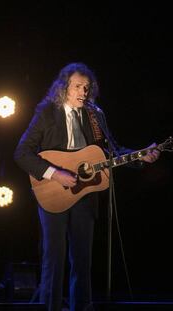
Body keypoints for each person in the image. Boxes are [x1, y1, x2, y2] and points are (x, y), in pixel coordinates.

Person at [14, 62, 159, 311]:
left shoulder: (95, 114)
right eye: (78, 87)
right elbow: (22, 153)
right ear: (64, 88)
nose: (84, 92)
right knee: (54, 259)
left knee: (82, 261)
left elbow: (111, 151)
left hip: (86, 194)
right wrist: (55, 173)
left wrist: (139, 156)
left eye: (87, 87)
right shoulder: (47, 112)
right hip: (53, 193)